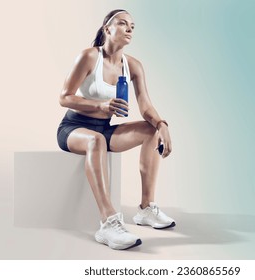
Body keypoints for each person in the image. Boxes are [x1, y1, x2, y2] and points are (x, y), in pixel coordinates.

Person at [56, 9, 175, 250]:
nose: (130, 28)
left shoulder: (133, 66)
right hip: (74, 128)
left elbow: (146, 106)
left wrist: (162, 124)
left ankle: (145, 209)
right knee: (95, 141)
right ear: (107, 29)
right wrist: (100, 105)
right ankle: (108, 222)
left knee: (150, 130)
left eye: (132, 25)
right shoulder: (89, 57)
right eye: (122, 23)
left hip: (104, 128)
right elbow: (64, 97)